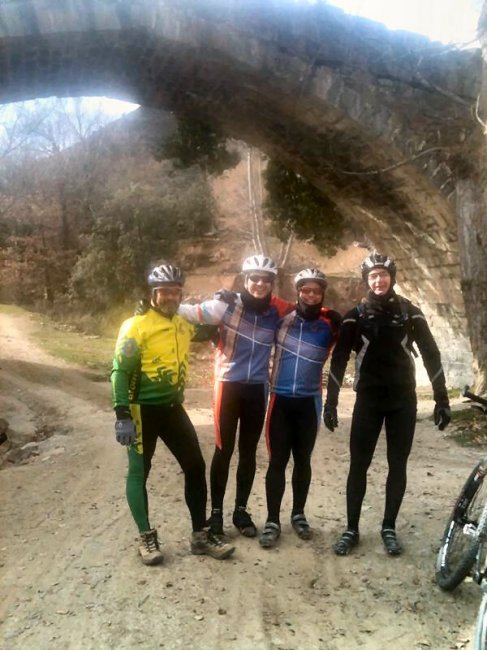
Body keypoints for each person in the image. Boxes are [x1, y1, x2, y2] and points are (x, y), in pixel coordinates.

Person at [323, 253, 451, 557]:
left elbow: (431, 354)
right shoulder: (355, 316)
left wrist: (442, 399)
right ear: (366, 281)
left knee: (398, 464)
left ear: (392, 277)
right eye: (372, 276)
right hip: (368, 400)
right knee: (358, 464)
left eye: (383, 274)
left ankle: (389, 528)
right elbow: (339, 359)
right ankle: (351, 529)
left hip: (402, 401)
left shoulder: (411, 313)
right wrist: (331, 402)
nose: (378, 280)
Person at [111, 263, 235, 565]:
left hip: (172, 409)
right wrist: (122, 413)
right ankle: (146, 536)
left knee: (195, 466)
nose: (169, 296)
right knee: (140, 472)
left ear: (181, 294)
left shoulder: (181, 323)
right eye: (163, 291)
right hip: (141, 411)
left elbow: (206, 330)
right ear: (153, 293)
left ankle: (200, 535)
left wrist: (225, 303)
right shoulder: (135, 325)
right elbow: (119, 372)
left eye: (175, 292)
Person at [178, 254, 293, 538]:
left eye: (266, 280)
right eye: (254, 278)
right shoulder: (226, 304)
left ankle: (240, 511)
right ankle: (216, 513)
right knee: (223, 450)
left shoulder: (277, 309)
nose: (259, 284)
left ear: (272, 283)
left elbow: (306, 308)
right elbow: (189, 312)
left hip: (257, 388)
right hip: (227, 385)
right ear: (245, 279)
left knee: (248, 452)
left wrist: (337, 319)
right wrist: (153, 306)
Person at [259, 269, 341, 548]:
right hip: (280, 400)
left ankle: (298, 514)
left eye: (317, 291)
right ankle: (272, 520)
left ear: (322, 294)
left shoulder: (330, 326)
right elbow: (258, 303)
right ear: (298, 292)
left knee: (303, 460)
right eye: (306, 290)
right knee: (277, 461)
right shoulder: (283, 319)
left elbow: (352, 341)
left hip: (309, 402)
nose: (311, 295)